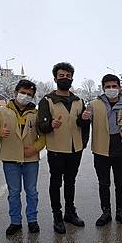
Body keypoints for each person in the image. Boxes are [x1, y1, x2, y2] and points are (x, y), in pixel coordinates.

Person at [37, 62, 90, 234]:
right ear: (55, 78)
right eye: (61, 76)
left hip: (76, 149)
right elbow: (41, 126)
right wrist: (50, 124)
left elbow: (83, 124)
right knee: (55, 182)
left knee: (71, 181)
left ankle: (69, 212)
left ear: (72, 78)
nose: (65, 79)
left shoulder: (78, 100)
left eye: (68, 76)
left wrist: (83, 143)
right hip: (56, 150)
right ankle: (57, 215)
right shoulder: (47, 100)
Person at [0, 79, 45, 235]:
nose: (25, 96)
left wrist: (34, 148)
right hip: (10, 159)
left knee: (32, 191)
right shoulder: (2, 112)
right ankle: (15, 221)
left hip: (31, 160)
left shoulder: (35, 113)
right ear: (15, 92)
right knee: (14, 192)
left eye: (29, 94)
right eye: (23, 93)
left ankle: (32, 220)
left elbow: (43, 137)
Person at [88, 74, 122, 227]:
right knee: (103, 183)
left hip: (120, 148)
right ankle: (105, 212)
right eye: (108, 87)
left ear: (119, 87)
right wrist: (84, 118)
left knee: (121, 182)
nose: (111, 89)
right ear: (103, 88)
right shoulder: (94, 104)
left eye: (114, 86)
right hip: (100, 149)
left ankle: (120, 212)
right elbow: (83, 122)